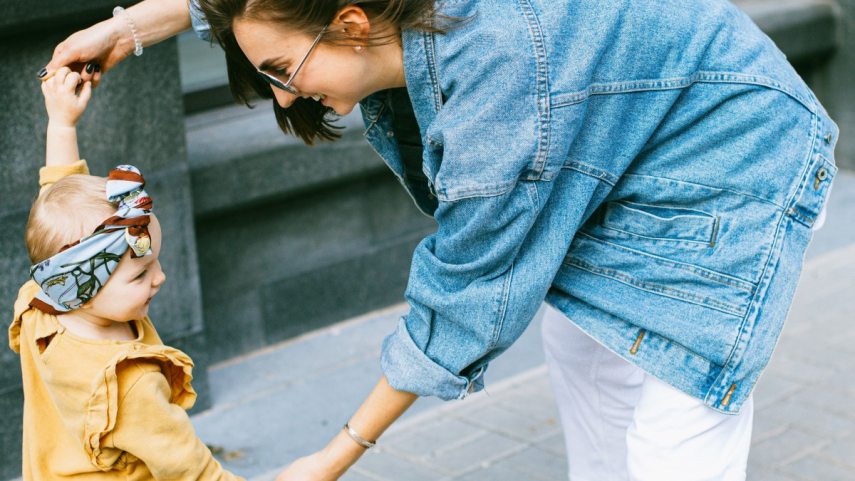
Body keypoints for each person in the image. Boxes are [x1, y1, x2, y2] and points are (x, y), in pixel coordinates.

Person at [41, 1, 839, 480]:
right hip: (619, 138)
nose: (284, 93)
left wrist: (336, 452)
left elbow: (467, 293)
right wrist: (143, 22)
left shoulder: (498, 79)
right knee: (580, 343)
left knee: (674, 408)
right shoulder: (382, 17)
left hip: (727, 155)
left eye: (283, 69)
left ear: (350, 23)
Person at [10, 66, 244, 481]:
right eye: (140, 275)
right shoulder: (128, 381)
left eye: (155, 262)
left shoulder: (39, 303)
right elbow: (192, 469)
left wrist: (62, 123)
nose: (160, 278)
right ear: (81, 286)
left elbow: (59, 199)